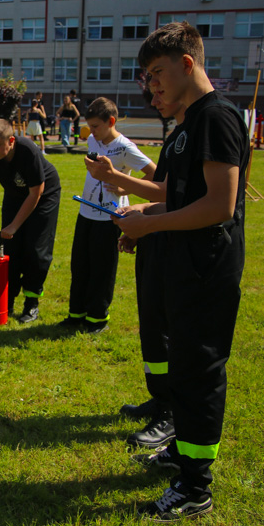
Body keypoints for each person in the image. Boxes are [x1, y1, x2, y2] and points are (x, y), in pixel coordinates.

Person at [120, 21, 249, 522]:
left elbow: (220, 205)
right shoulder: (186, 126)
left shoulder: (216, 118)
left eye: (157, 74)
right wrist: (143, 220)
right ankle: (182, 452)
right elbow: (178, 196)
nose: (151, 85)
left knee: (199, 374)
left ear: (187, 64)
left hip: (206, 269)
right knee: (183, 367)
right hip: (183, 265)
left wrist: (152, 226)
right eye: (147, 76)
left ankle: (195, 488)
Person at [85, 88, 186, 451]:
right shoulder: (177, 138)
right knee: (153, 330)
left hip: (179, 251)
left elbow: (171, 195)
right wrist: (140, 220)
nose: (154, 97)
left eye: (160, 86)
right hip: (153, 240)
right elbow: (167, 195)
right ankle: (160, 399)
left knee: (172, 336)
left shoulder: (208, 129)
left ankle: (172, 411)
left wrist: (121, 185)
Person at [61, 97, 155, 334]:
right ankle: (76, 314)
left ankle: (97, 319)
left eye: (95, 126)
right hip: (86, 212)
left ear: (111, 121)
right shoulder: (94, 139)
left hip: (109, 217)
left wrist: (125, 188)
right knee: (81, 265)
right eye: (89, 126)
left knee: (102, 269)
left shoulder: (125, 148)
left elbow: (155, 173)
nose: (90, 131)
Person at [0, 118, 61, 323]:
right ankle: (7, 300)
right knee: (9, 249)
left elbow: (36, 193)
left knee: (36, 250)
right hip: (14, 196)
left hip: (44, 196)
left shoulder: (28, 151)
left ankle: (31, 303)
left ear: (11, 141)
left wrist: (14, 225)